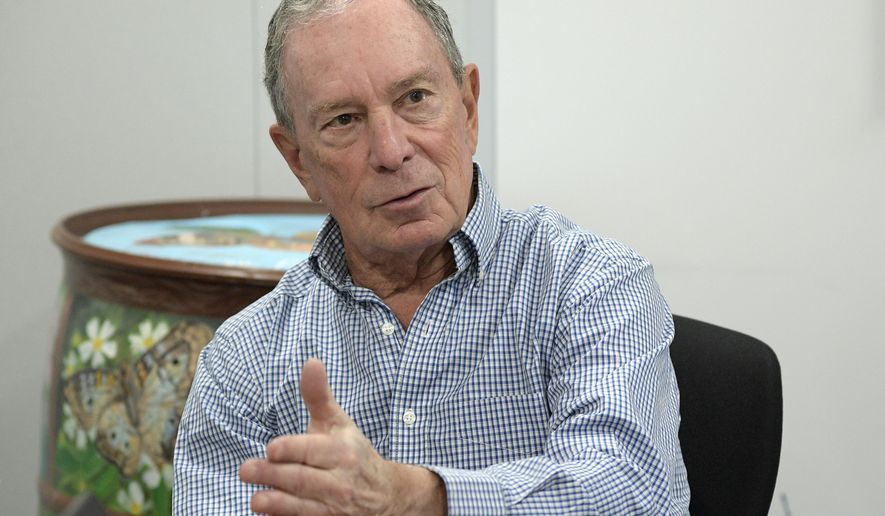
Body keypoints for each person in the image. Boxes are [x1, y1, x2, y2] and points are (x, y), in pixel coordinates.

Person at [173, 0, 690, 513]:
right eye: (344, 119)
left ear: (468, 108)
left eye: (414, 97)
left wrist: (419, 500)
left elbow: (631, 488)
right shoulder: (244, 359)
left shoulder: (591, 284)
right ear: (298, 160)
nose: (391, 150)